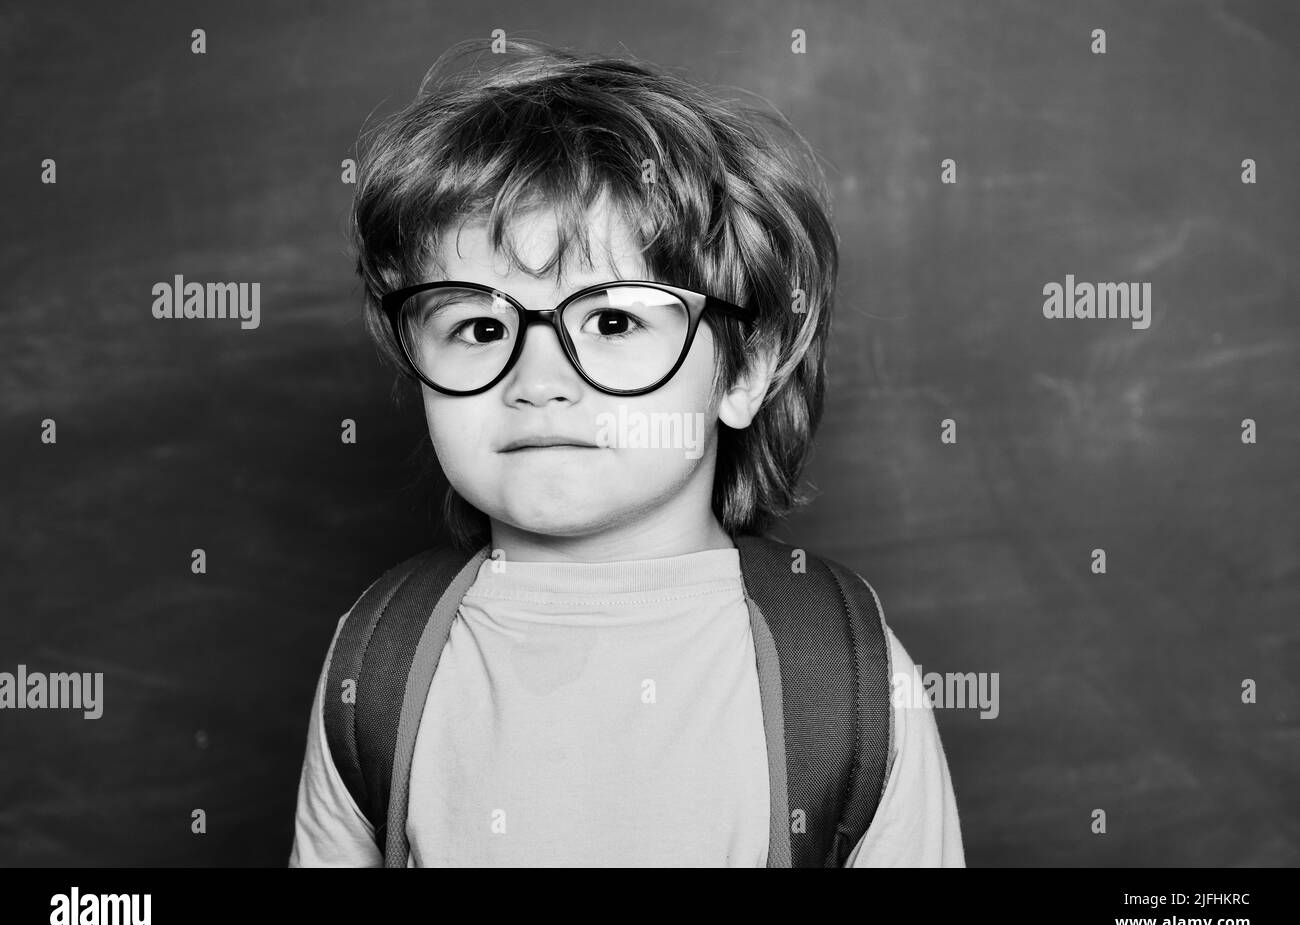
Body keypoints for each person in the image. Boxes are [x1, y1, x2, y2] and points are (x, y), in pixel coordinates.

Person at [290, 37, 964, 867]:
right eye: (479, 326)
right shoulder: (380, 658)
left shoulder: (843, 678)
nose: (538, 379)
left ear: (744, 369)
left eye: (612, 320)